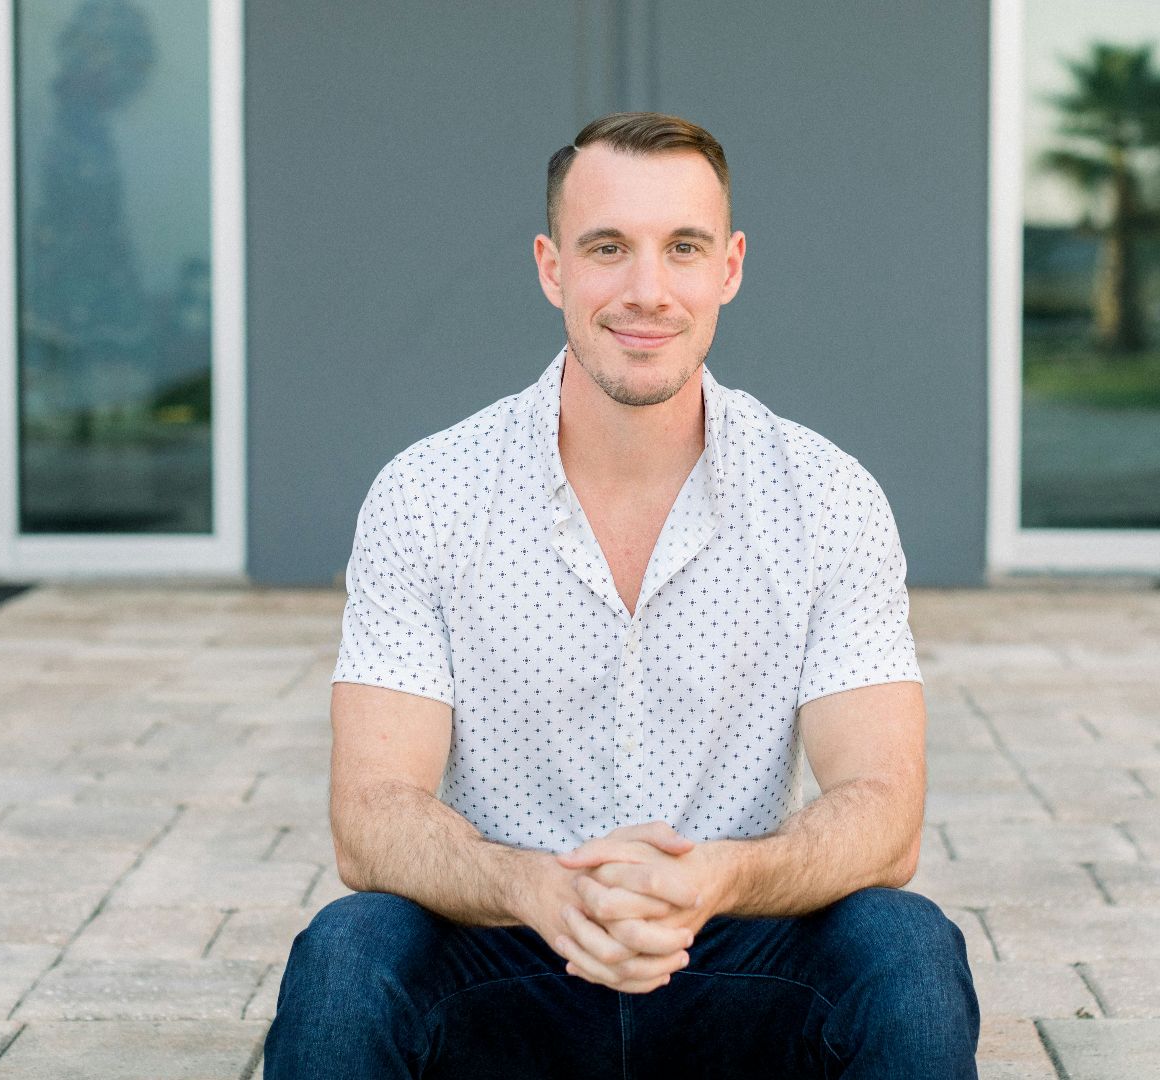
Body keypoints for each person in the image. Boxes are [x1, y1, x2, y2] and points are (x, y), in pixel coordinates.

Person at [264, 112, 980, 1078]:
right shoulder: (429, 493)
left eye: (681, 248)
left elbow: (883, 811)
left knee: (907, 947)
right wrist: (535, 888)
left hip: (734, 954)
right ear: (552, 267)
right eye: (608, 248)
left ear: (728, 267)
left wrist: (721, 877)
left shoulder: (825, 495)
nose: (647, 291)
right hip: (511, 952)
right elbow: (373, 815)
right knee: (350, 949)